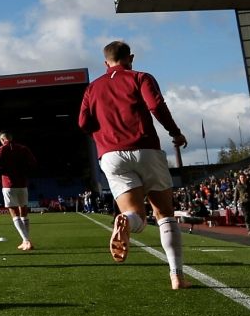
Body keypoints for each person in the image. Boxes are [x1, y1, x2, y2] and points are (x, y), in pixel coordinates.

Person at [75, 41, 190, 290]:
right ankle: (177, 276)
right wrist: (175, 132)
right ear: (131, 58)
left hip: (111, 156)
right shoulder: (140, 77)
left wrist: (104, 134)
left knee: (136, 215)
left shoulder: (92, 88)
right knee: (165, 215)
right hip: (145, 148)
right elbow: (156, 106)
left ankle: (125, 220)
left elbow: (83, 123)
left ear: (106, 63)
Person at [0, 131, 38, 251]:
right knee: (23, 211)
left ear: (2, 140)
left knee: (13, 211)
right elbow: (33, 163)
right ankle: (25, 240)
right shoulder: (23, 149)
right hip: (22, 184)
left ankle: (26, 241)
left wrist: (5, 171)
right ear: (11, 137)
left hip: (8, 184)